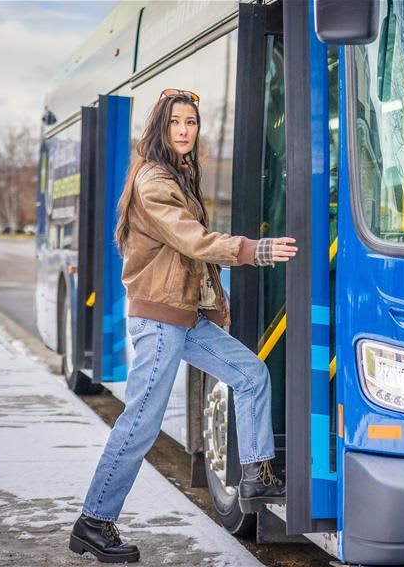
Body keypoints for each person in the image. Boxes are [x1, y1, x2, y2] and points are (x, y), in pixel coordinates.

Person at [68, 89, 297, 563]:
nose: (185, 130)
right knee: (140, 422)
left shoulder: (179, 175)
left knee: (251, 374)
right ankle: (94, 520)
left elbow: (187, 255)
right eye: (176, 122)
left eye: (191, 122)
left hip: (184, 317)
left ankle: (256, 472)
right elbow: (191, 240)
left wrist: (211, 302)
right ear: (161, 128)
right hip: (159, 320)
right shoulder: (154, 181)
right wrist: (255, 250)